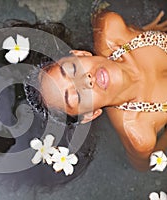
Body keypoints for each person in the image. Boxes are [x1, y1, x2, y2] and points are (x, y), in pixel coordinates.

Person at [37, 10, 167, 171]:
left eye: (72, 69)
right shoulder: (140, 134)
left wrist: (141, 31)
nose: (86, 80)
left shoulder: (110, 27)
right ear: (91, 114)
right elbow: (145, 166)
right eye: (77, 96)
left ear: (81, 54)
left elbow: (96, 13)